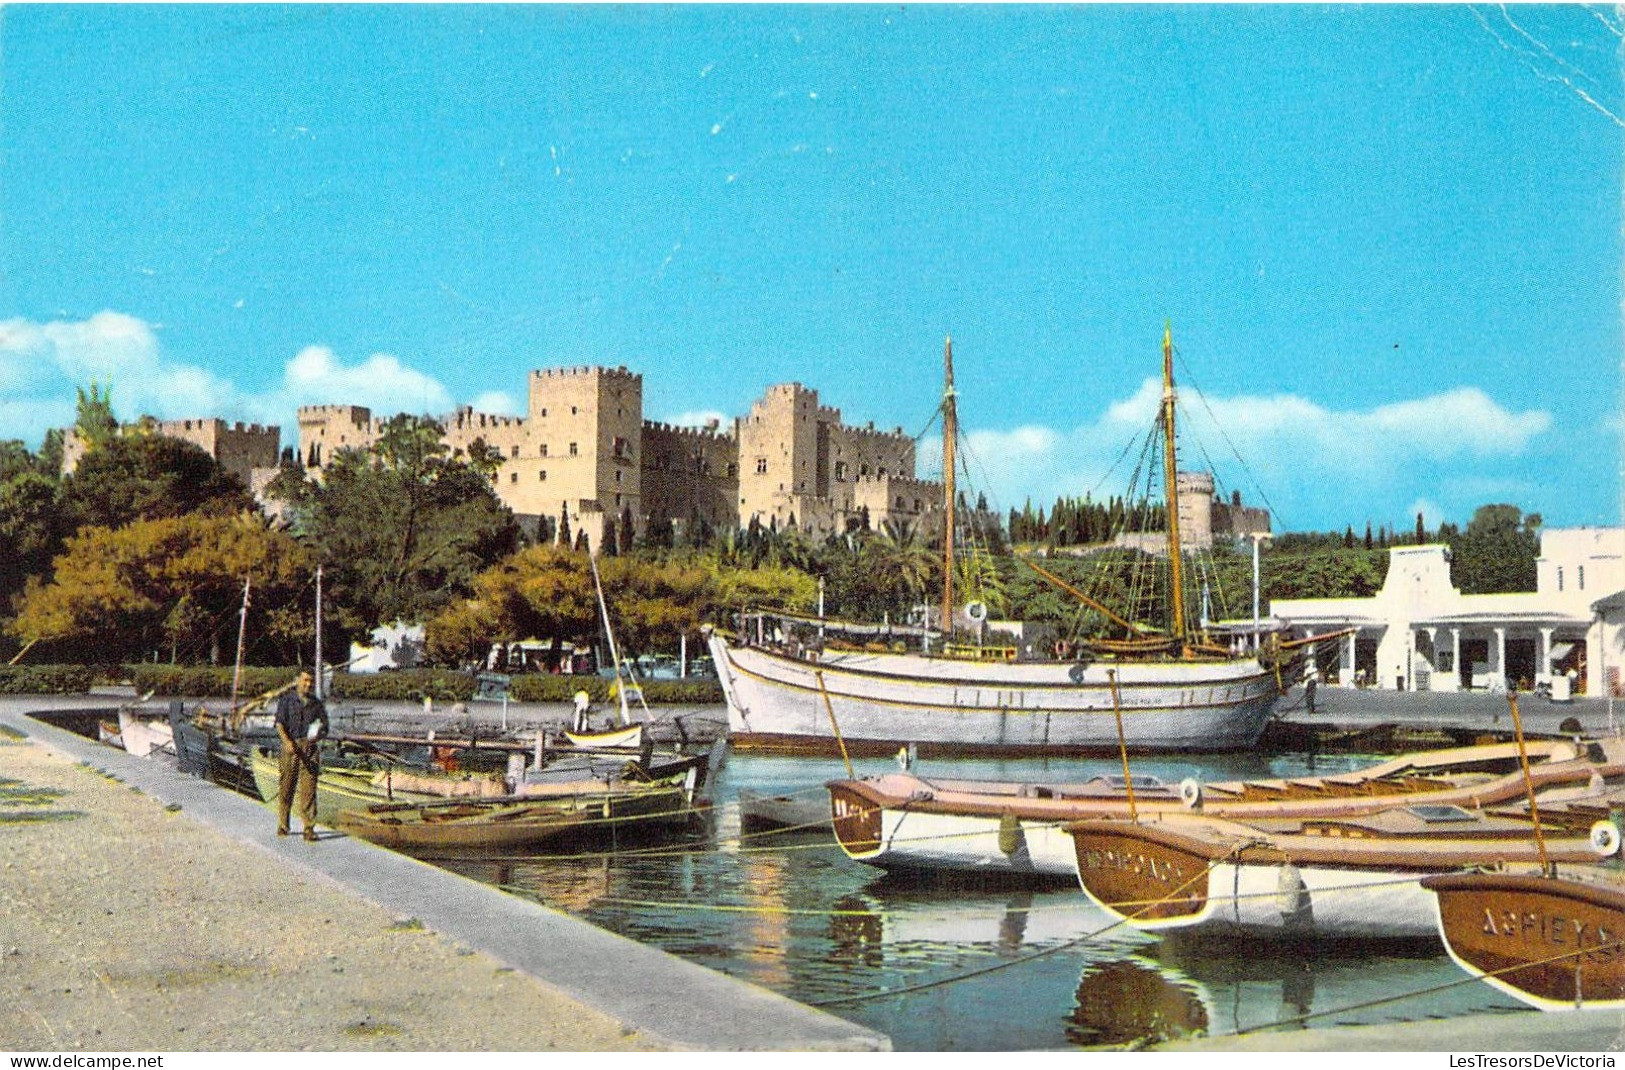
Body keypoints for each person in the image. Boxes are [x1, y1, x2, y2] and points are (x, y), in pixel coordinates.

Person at [274, 670, 328, 841]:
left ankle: (308, 828)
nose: (308, 684)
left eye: (311, 681)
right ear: (297, 680)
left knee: (309, 789)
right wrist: (287, 742)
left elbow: (325, 726)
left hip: (310, 748)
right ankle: (283, 824)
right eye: (305, 681)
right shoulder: (286, 700)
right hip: (291, 746)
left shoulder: (316, 704)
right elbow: (279, 724)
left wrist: (318, 735)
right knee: (286, 786)